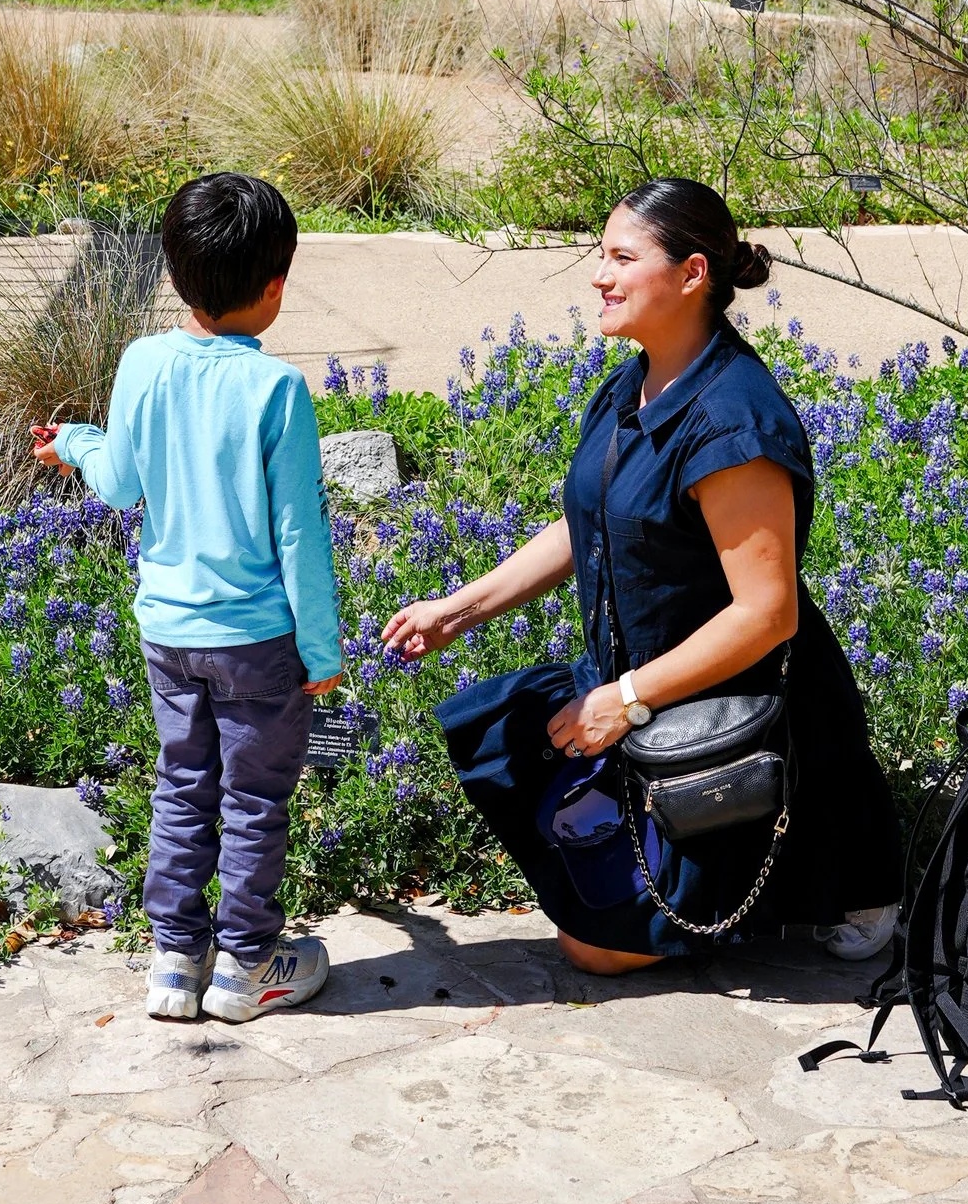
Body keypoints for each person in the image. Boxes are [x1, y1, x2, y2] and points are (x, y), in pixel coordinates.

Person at [383, 177, 900, 971]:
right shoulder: (638, 381)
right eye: (602, 256)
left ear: (693, 274)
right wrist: (459, 609)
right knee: (515, 763)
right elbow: (589, 520)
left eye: (623, 258)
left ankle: (842, 875)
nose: (600, 276)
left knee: (594, 949)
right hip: (648, 692)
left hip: (736, 718)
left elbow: (767, 613)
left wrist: (623, 701)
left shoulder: (733, 422)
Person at [33, 172, 343, 1025]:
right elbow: (299, 534)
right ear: (276, 285)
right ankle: (246, 965)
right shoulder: (277, 389)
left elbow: (118, 484)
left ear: (173, 275)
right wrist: (321, 650)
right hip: (257, 642)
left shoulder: (143, 361)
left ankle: (175, 960)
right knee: (254, 800)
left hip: (168, 634)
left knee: (182, 786)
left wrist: (79, 443)